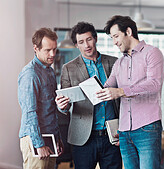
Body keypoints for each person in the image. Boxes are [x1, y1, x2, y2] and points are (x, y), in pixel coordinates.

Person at [97, 15, 164, 169]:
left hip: (147, 128)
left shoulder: (152, 53)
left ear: (128, 31)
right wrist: (74, 95)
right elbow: (106, 88)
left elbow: (154, 84)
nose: (114, 42)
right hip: (124, 131)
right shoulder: (119, 63)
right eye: (112, 38)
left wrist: (121, 91)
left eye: (116, 36)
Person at [55, 22, 122, 169]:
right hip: (84, 138)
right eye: (81, 42)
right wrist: (63, 106)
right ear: (76, 45)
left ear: (96, 38)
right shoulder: (68, 69)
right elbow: (65, 106)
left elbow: (122, 100)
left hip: (112, 136)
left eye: (89, 39)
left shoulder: (114, 63)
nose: (86, 45)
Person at [18, 27, 63, 169]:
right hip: (35, 139)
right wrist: (39, 144)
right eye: (48, 50)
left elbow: (50, 109)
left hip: (50, 137)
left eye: (55, 49)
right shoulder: (30, 74)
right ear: (36, 48)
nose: (52, 54)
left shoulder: (49, 71)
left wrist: (57, 138)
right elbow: (30, 112)